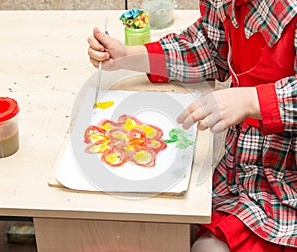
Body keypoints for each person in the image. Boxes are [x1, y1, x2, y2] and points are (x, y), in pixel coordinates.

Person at [87, 0, 297, 251]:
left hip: (285, 180)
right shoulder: (226, 4)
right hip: (240, 166)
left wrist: (254, 101)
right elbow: (207, 48)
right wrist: (130, 57)